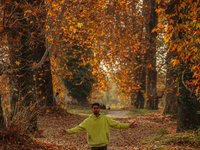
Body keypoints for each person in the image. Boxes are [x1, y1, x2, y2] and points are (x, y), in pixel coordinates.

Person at [59, 102, 138, 150]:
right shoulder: (88, 121)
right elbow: (78, 128)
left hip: (104, 143)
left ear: (99, 109)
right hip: (94, 144)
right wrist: (67, 132)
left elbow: (116, 124)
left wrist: (128, 125)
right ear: (92, 109)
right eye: (94, 108)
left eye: (97, 108)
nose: (96, 109)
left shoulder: (105, 118)